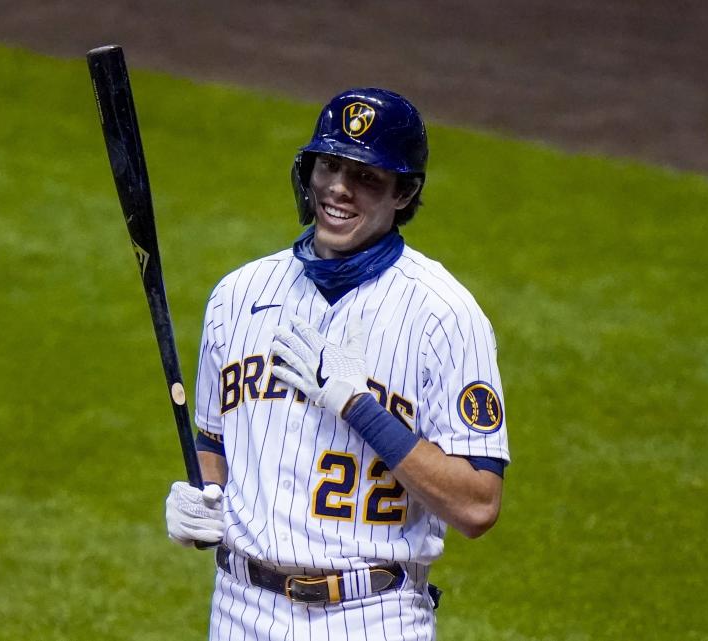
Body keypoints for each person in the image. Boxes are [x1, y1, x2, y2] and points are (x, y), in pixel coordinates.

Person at [165, 88, 510, 641]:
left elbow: (477, 505)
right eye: (329, 165)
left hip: (371, 616)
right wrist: (200, 501)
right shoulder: (238, 295)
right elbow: (214, 442)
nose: (338, 189)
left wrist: (358, 408)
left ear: (405, 192)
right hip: (239, 610)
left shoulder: (444, 315)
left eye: (367, 177)